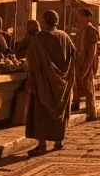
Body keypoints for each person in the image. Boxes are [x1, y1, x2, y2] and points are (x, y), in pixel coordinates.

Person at [23, 9, 75, 156]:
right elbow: (73, 59)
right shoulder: (65, 37)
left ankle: (41, 145)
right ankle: (59, 141)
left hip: (43, 83)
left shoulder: (38, 39)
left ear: (45, 22)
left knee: (41, 112)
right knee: (60, 111)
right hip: (62, 84)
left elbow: (30, 62)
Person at [72, 8, 100, 116]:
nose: (79, 17)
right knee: (77, 84)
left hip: (87, 62)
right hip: (78, 61)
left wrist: (86, 66)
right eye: (79, 15)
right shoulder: (80, 30)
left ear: (88, 18)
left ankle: (91, 111)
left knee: (88, 87)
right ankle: (75, 105)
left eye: (81, 15)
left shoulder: (91, 31)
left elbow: (92, 52)